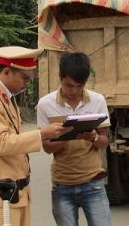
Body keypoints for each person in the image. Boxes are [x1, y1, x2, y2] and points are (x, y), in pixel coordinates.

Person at [0, 46, 73, 226]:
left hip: (17, 192)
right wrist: (42, 134)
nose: (27, 83)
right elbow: (1, 143)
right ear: (6, 72)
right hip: (4, 195)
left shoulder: (6, 97)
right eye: (24, 78)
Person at [36, 52, 113, 226]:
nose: (74, 91)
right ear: (60, 77)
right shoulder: (45, 104)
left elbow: (103, 143)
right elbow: (47, 148)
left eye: (80, 86)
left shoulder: (97, 100)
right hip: (62, 184)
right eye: (69, 85)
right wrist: (68, 135)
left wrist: (93, 136)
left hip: (93, 183)